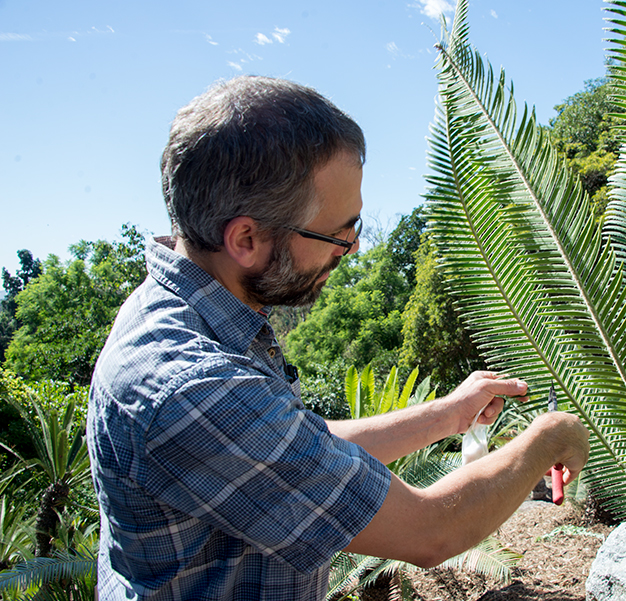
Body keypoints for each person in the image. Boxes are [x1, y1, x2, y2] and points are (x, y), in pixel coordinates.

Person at [87, 75, 590, 601]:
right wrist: (549, 438)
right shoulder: (189, 384)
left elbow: (290, 445)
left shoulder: (191, 311)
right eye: (337, 233)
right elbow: (432, 532)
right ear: (246, 238)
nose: (349, 250)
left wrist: (449, 413)